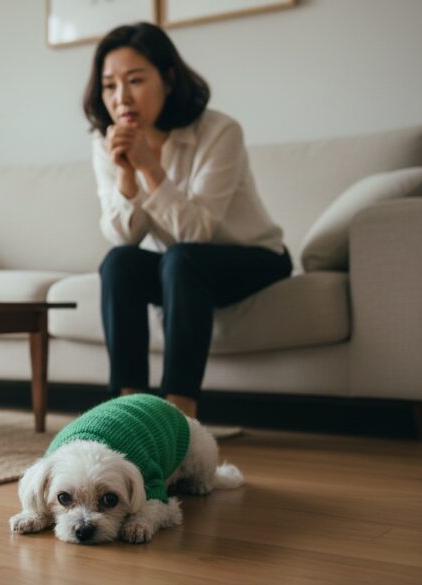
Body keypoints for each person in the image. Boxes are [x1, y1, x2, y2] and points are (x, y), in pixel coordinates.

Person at [85, 22, 292, 419]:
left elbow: (198, 232)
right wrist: (127, 174)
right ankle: (124, 411)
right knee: (120, 263)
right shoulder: (106, 142)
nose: (121, 97)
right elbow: (123, 237)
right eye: (109, 85)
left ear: (168, 78)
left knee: (183, 258)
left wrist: (149, 166)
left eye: (135, 80)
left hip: (252, 257)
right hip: (178, 270)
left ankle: (180, 416)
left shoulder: (219, 132)